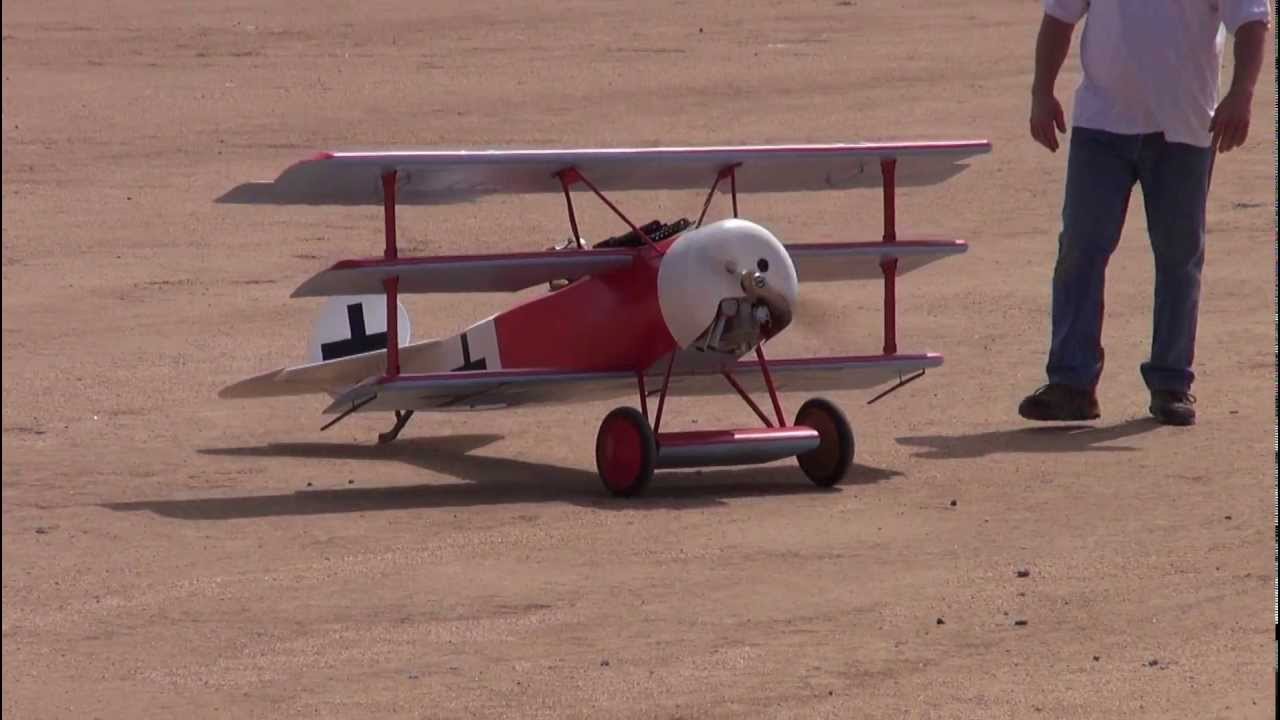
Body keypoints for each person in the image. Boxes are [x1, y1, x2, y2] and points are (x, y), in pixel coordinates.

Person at [1017, 0, 1270, 426]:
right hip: (1101, 123)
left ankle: (1171, 383)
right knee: (1080, 248)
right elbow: (1059, 15)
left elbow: (1251, 20)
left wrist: (1241, 94)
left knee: (1179, 257)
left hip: (1185, 126)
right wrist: (1041, 92)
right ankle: (1072, 383)